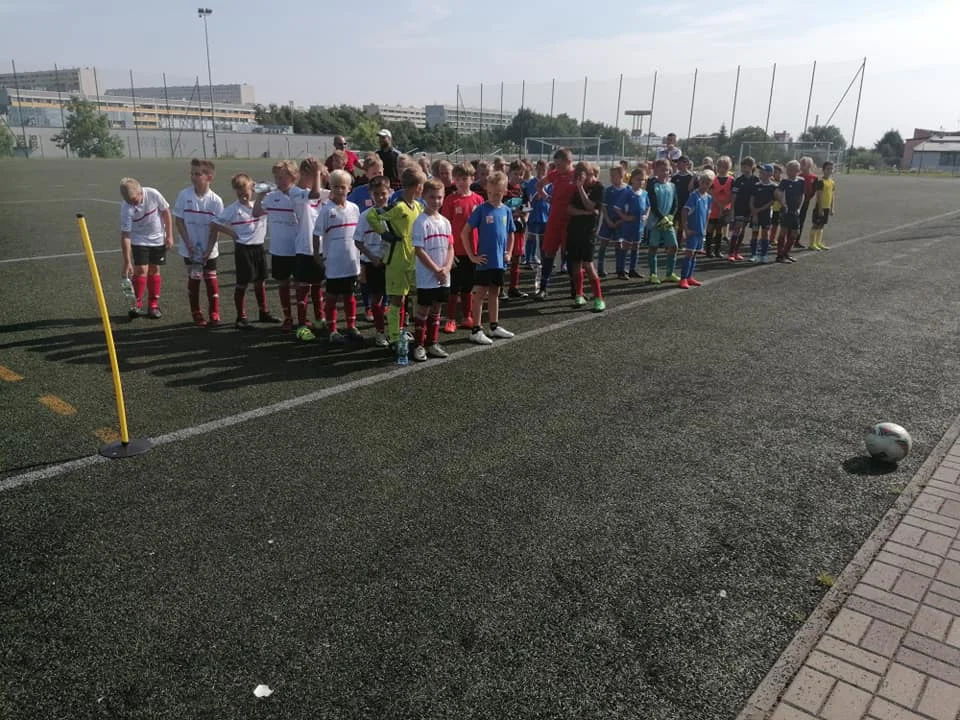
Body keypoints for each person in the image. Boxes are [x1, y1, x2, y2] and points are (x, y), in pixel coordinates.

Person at [253, 160, 316, 332]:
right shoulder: (272, 197)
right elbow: (256, 213)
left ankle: (303, 318)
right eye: (276, 177)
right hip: (279, 249)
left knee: (302, 285)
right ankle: (288, 318)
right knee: (283, 284)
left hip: (299, 249)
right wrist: (260, 196)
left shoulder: (300, 194)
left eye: (282, 177)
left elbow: (314, 198)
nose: (278, 181)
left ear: (294, 176)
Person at [365, 167, 424, 348]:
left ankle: (407, 331)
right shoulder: (398, 207)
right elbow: (372, 215)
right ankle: (394, 337)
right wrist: (384, 233)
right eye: (421, 185)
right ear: (417, 186)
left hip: (414, 258)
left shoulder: (418, 206)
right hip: (396, 260)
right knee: (397, 299)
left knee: (416, 296)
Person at [209, 174, 276, 330]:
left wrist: (260, 188)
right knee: (243, 283)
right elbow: (214, 223)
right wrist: (232, 233)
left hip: (258, 248)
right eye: (239, 194)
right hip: (243, 249)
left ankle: (263, 312)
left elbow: (272, 191)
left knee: (260, 281)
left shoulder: (259, 205)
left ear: (251, 189)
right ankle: (241, 317)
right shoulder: (233, 209)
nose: (243, 196)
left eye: (245, 193)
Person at [463, 171, 516, 344]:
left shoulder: (506, 211)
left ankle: (494, 326)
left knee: (495, 292)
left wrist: (509, 252)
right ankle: (476, 330)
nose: (494, 196)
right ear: (487, 190)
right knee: (479, 294)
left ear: (505, 191)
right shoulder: (481, 209)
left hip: (499, 261)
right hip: (484, 260)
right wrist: (472, 256)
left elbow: (511, 233)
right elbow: (465, 233)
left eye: (498, 193)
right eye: (491, 193)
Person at [172, 158, 224, 327]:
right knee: (194, 279)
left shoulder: (216, 201)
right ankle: (196, 312)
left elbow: (216, 228)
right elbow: (179, 221)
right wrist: (188, 243)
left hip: (209, 249)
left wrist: (209, 250)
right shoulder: (184, 195)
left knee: (211, 279)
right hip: (190, 249)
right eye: (192, 174)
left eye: (198, 174)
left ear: (209, 177)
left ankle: (214, 313)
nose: (193, 177)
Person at [313, 169, 361, 344]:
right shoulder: (327, 211)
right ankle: (332, 330)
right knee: (332, 297)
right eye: (335, 187)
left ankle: (351, 326)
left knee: (349, 296)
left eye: (343, 187)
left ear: (349, 188)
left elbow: (358, 235)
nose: (339, 190)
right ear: (330, 188)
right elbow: (316, 234)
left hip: (351, 262)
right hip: (334, 262)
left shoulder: (354, 209)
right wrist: (317, 255)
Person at [410, 179, 455, 360]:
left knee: (437, 310)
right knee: (423, 311)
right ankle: (419, 345)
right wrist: (436, 269)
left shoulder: (445, 222)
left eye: (439, 197)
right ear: (423, 197)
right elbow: (419, 250)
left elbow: (450, 247)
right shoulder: (420, 221)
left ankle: (432, 342)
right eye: (432, 197)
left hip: (444, 275)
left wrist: (447, 268)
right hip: (427, 276)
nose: (436, 201)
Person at [120, 177, 173, 320]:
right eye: (128, 201)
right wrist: (127, 261)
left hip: (158, 238)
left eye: (134, 200)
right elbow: (126, 235)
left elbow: (166, 212)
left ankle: (153, 305)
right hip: (139, 239)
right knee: (141, 270)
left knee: (154, 269)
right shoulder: (126, 207)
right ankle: (136, 304)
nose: (132, 204)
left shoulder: (153, 194)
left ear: (140, 192)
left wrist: (169, 235)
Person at [440, 163, 484, 332]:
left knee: (468, 285)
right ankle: (450, 319)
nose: (461, 182)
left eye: (464, 179)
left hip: (473, 251)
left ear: (472, 179)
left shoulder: (478, 200)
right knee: (453, 287)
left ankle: (467, 316)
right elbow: (445, 226)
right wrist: (447, 249)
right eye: (457, 179)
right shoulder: (451, 200)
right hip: (455, 251)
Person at [292, 158, 329, 340]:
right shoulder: (296, 193)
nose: (320, 178)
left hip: (320, 247)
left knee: (317, 287)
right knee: (303, 289)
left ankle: (319, 319)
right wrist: (317, 173)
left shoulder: (319, 192)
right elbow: (314, 195)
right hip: (304, 248)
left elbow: (333, 193)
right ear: (306, 174)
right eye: (317, 175)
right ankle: (301, 325)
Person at [534, 148, 576, 300]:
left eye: (559, 165)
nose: (556, 168)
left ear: (569, 162)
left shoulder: (577, 175)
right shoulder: (555, 174)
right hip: (554, 220)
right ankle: (543, 288)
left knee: (571, 256)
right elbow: (539, 185)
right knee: (548, 253)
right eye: (555, 164)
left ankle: (575, 289)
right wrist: (546, 197)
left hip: (571, 221)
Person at [354, 176, 392, 347]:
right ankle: (380, 332)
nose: (380, 197)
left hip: (391, 262)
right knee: (376, 299)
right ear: (371, 194)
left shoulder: (395, 213)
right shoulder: (365, 216)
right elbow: (358, 241)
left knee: (397, 298)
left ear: (389, 192)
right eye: (376, 194)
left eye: (383, 193)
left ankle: (397, 332)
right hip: (373, 263)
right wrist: (372, 257)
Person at [566, 161, 606, 311]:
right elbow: (569, 209)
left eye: (582, 176)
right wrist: (585, 213)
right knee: (575, 263)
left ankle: (598, 298)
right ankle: (579, 294)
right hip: (574, 229)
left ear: (590, 174)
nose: (579, 179)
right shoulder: (578, 187)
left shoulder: (598, 187)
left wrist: (581, 188)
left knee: (588, 264)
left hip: (588, 231)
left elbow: (591, 205)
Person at [645, 159, 680, 284]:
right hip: (655, 222)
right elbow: (653, 205)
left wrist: (671, 216)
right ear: (656, 171)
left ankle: (669, 274)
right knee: (653, 247)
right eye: (662, 170)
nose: (665, 172)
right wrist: (661, 217)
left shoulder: (672, 186)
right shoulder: (653, 185)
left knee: (674, 246)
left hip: (667, 222)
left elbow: (675, 203)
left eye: (666, 170)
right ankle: (653, 274)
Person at [679, 170, 713, 289]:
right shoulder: (694, 196)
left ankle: (690, 276)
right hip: (692, 230)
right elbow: (684, 211)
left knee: (695, 255)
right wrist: (686, 228)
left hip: (700, 231)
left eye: (707, 183)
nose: (705, 185)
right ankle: (683, 278)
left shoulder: (708, 198)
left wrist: (704, 229)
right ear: (699, 182)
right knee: (689, 253)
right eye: (703, 182)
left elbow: (707, 214)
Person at [596, 165, 627, 278]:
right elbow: (604, 207)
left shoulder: (628, 190)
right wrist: (608, 220)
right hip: (608, 221)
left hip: (621, 222)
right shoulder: (608, 190)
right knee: (603, 243)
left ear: (621, 176)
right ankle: (600, 268)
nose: (611, 178)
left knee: (619, 244)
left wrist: (621, 220)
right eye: (611, 176)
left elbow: (629, 209)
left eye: (614, 176)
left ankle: (620, 269)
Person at [505, 160, 530, 299]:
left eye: (521, 174)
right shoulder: (504, 188)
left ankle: (513, 287)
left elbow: (527, 206)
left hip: (519, 228)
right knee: (504, 258)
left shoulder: (523, 189)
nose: (518, 177)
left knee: (516, 258)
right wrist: (512, 213)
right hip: (505, 230)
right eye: (515, 174)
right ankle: (499, 288)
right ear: (509, 173)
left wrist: (525, 215)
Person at [727, 156, 758, 262]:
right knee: (737, 228)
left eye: (746, 166)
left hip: (749, 209)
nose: (743, 168)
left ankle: (736, 252)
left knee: (743, 229)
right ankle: (731, 253)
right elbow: (734, 196)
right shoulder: (739, 180)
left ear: (751, 167)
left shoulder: (756, 180)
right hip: (739, 207)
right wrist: (732, 209)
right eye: (742, 166)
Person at [774, 160, 805, 263]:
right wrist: (783, 204)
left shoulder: (801, 181)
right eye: (789, 169)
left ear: (798, 170)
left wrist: (799, 208)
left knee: (795, 232)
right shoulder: (785, 182)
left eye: (794, 170)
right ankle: (779, 255)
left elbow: (802, 195)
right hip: (786, 211)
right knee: (783, 231)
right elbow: (777, 192)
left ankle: (786, 253)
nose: (791, 172)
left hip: (795, 211)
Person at [621, 167, 649, 279]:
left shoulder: (645, 193)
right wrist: (625, 217)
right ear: (632, 179)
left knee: (636, 246)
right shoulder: (627, 193)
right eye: (638, 179)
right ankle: (621, 270)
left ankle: (633, 269)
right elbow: (617, 208)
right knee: (626, 246)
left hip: (639, 225)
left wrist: (646, 215)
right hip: (628, 225)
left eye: (643, 180)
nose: (641, 182)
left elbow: (648, 206)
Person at [705, 156, 733, 258]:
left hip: (724, 209)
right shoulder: (713, 179)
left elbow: (732, 195)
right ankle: (708, 250)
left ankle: (717, 250)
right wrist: (720, 205)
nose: (722, 169)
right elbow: (711, 194)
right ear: (717, 167)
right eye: (720, 166)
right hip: (713, 208)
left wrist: (725, 206)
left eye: (725, 167)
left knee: (719, 230)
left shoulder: (731, 180)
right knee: (710, 229)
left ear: (729, 167)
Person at [748, 164, 777, 263]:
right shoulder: (756, 185)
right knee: (754, 233)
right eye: (760, 171)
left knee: (765, 234)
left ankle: (763, 255)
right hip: (756, 214)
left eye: (762, 171)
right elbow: (752, 200)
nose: (760, 173)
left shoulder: (773, 187)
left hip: (766, 214)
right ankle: (753, 254)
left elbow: (772, 202)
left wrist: (759, 210)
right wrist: (754, 212)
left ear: (770, 173)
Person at [809, 160, 835, 251]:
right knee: (816, 225)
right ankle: (812, 244)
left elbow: (832, 195)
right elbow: (819, 196)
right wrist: (820, 209)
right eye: (828, 169)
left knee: (822, 225)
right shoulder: (820, 182)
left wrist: (832, 208)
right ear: (823, 170)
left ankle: (818, 242)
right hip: (820, 207)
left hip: (827, 207)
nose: (830, 171)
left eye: (831, 169)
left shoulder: (832, 182)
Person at [671, 156, 695, 245]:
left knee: (682, 224)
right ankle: (671, 242)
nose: (678, 164)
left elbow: (692, 190)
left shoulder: (691, 176)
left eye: (680, 162)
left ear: (686, 163)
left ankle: (678, 242)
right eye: (678, 162)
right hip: (675, 204)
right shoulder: (675, 177)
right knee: (672, 223)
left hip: (686, 204)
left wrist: (693, 178)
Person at [796, 156, 818, 249]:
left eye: (803, 164)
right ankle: (789, 239)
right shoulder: (798, 177)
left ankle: (797, 240)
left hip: (805, 202)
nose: (801, 166)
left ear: (809, 165)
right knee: (794, 220)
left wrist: (808, 198)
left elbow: (814, 190)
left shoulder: (814, 177)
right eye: (801, 164)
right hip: (796, 202)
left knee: (801, 220)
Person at [769, 164, 784, 249]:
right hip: (771, 206)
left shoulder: (783, 182)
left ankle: (773, 239)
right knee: (770, 224)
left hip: (779, 207)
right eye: (774, 172)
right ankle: (768, 239)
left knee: (777, 224)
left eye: (777, 172)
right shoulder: (770, 181)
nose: (775, 174)